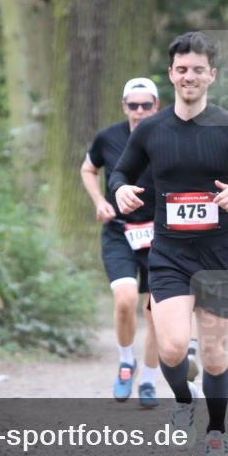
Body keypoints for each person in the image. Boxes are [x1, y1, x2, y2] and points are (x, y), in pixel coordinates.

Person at [110, 32, 228, 455]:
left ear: (211, 75)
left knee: (214, 352)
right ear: (171, 74)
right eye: (182, 69)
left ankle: (216, 429)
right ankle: (184, 402)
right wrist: (120, 190)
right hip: (169, 255)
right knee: (170, 348)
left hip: (218, 255)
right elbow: (119, 173)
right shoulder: (150, 129)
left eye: (198, 70)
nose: (190, 76)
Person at [81, 77, 199, 409]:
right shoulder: (108, 138)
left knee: (155, 311)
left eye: (146, 105)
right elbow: (88, 169)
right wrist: (99, 201)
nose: (139, 111)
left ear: (156, 106)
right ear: (124, 107)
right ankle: (125, 362)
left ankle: (147, 380)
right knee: (125, 299)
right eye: (133, 105)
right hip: (120, 230)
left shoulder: (171, 138)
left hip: (160, 234)